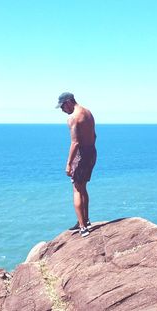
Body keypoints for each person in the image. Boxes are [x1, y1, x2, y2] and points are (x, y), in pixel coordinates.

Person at [56, 92, 97, 237]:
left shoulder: (73, 118)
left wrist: (69, 164)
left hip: (82, 155)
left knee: (76, 189)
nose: (62, 110)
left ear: (69, 102)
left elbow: (75, 142)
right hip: (92, 152)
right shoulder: (88, 113)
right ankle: (85, 220)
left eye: (62, 107)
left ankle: (82, 227)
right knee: (83, 186)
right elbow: (94, 135)